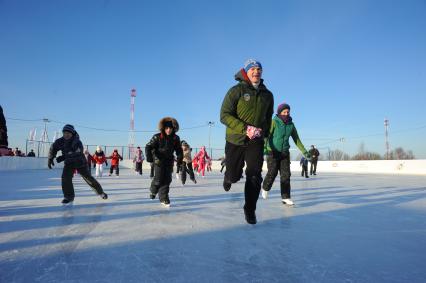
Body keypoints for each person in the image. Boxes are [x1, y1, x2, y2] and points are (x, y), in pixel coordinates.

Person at [220, 59, 274, 224]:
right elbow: (224, 115)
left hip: (255, 141)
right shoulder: (236, 91)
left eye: (259, 69)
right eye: (253, 69)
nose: (256, 71)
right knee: (234, 175)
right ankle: (229, 177)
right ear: (246, 71)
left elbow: (268, 118)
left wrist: (262, 133)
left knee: (254, 175)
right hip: (235, 139)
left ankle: (250, 209)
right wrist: (245, 128)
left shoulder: (267, 95)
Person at [262, 103, 310, 206]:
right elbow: (266, 136)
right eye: (284, 112)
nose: (286, 113)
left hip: (284, 152)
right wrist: (264, 148)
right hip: (272, 152)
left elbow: (297, 139)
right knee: (272, 172)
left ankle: (286, 197)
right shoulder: (274, 122)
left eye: (288, 112)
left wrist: (305, 152)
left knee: (286, 175)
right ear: (279, 112)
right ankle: (265, 188)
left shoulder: (291, 125)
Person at [48, 124, 108, 204]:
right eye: (64, 133)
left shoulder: (77, 141)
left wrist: (63, 157)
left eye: (68, 133)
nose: (66, 135)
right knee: (65, 178)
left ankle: (101, 192)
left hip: (80, 162)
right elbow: (53, 147)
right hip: (69, 163)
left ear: (72, 133)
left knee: (88, 178)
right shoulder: (60, 141)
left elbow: (76, 152)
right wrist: (50, 158)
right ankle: (69, 197)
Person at [145, 117, 183, 207]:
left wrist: (180, 158)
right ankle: (153, 190)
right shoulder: (157, 137)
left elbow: (179, 150)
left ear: (173, 128)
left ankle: (164, 198)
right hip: (158, 160)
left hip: (169, 161)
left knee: (167, 180)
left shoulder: (175, 138)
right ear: (163, 128)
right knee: (158, 179)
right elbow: (148, 146)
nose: (168, 130)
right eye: (166, 128)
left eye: (170, 128)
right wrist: (149, 158)